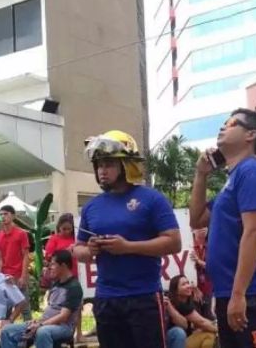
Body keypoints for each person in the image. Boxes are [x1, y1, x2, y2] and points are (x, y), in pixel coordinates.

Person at [73, 130, 181, 348]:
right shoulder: (91, 207)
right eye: (99, 165)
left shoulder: (152, 199)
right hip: (106, 300)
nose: (102, 171)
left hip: (144, 298)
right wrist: (90, 250)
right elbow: (77, 250)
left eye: (109, 164)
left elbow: (174, 242)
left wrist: (128, 247)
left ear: (127, 165)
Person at [189, 109, 256, 348]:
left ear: (251, 134)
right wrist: (201, 174)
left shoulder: (252, 171)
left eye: (230, 123)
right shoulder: (232, 180)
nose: (222, 127)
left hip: (250, 294)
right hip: (230, 292)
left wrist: (239, 295)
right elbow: (196, 219)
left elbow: (254, 232)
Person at [1, 250, 84, 348]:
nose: (50, 267)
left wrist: (41, 325)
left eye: (53, 264)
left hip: (63, 327)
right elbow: (48, 307)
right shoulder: (56, 283)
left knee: (42, 332)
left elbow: (63, 316)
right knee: (7, 331)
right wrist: (38, 322)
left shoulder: (73, 287)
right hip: (45, 323)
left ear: (63, 266)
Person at [0, 204, 33, 321]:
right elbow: (0, 258)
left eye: (6, 214)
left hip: (18, 274)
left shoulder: (21, 233)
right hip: (5, 277)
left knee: (24, 306)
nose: (3, 217)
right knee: (5, 307)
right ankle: (4, 332)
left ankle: (30, 333)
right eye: (1, 214)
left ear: (13, 216)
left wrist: (23, 275)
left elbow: (26, 256)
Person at [163, 275, 217, 348]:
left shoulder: (190, 301)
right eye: (183, 284)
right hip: (172, 341)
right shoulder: (172, 303)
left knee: (209, 334)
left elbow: (202, 321)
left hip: (186, 338)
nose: (188, 286)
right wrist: (221, 330)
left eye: (188, 283)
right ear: (176, 290)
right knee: (180, 332)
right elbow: (200, 322)